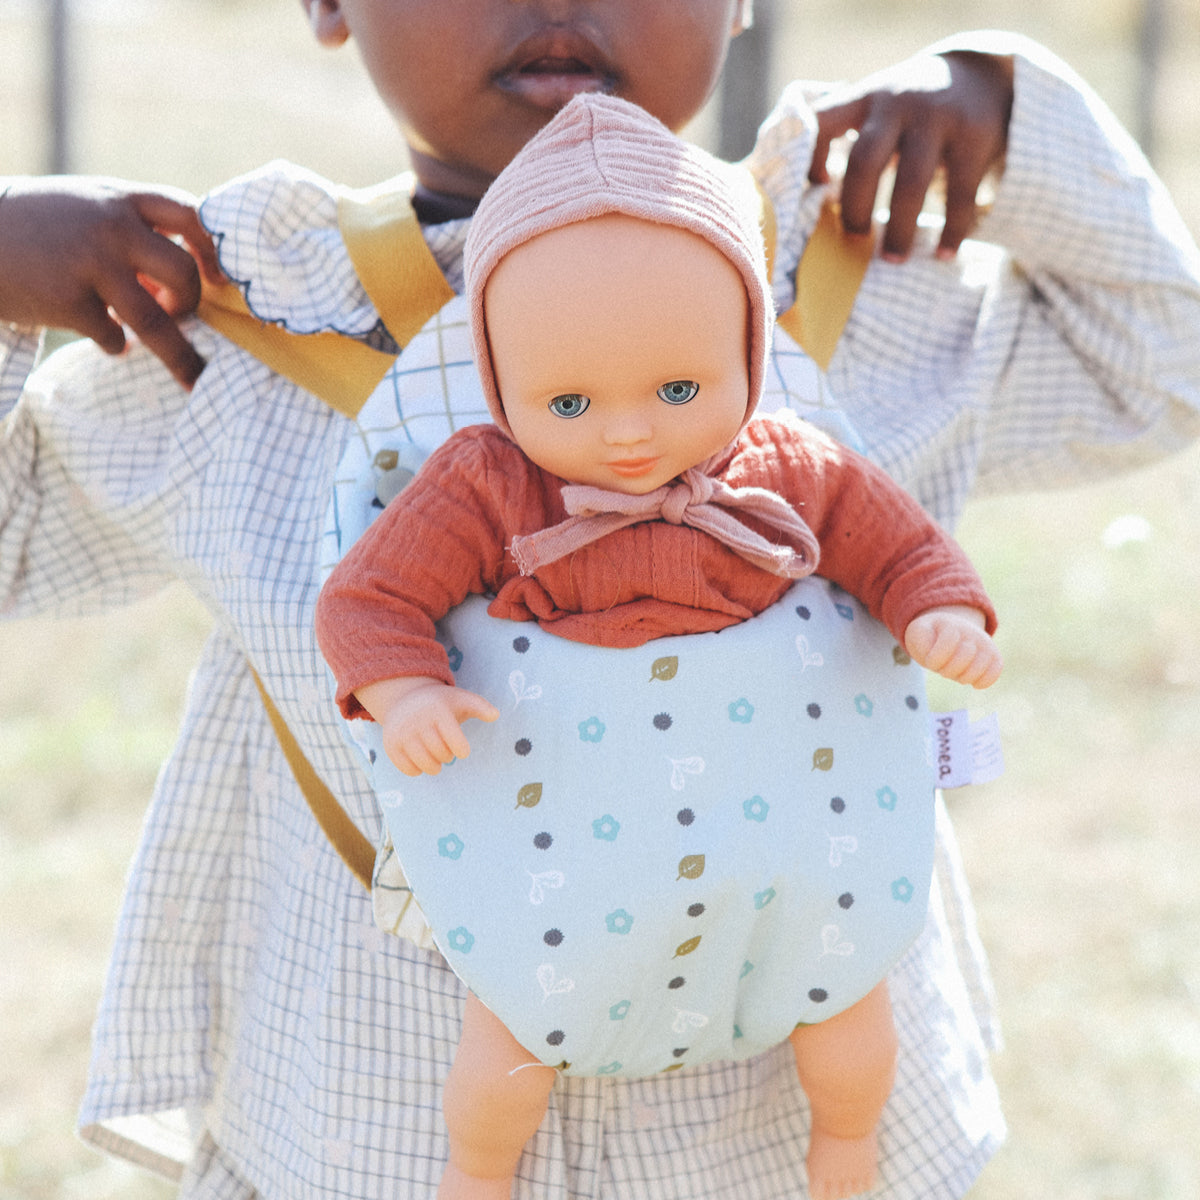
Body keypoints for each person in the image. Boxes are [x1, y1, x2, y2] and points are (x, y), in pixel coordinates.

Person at [1, 2, 1198, 1196]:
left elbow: (1165, 369)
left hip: (789, 1149)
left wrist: (1012, 111)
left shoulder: (859, 287)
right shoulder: (234, 340)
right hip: (377, 1138)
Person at [315, 92, 1001, 1200]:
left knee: (850, 998)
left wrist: (940, 615)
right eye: (570, 400)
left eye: (679, 390)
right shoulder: (484, 486)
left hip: (790, 835)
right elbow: (368, 597)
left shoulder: (792, 468)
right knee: (510, 1029)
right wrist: (403, 693)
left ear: (744, 347)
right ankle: (479, 1176)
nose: (628, 433)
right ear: (495, 375)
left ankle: (847, 1157)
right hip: (568, 848)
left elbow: (902, 549)